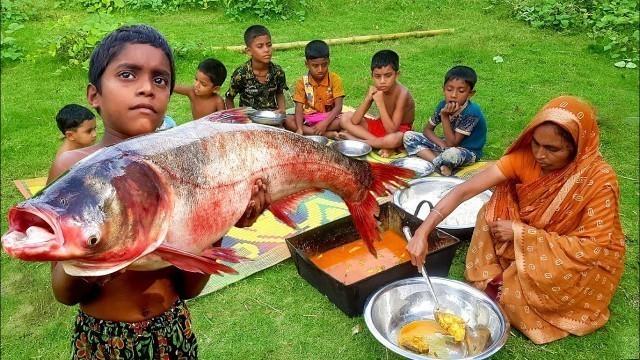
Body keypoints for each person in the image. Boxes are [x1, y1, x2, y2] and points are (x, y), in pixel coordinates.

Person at [47, 25, 271, 359]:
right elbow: (64, 293)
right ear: (94, 94)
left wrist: (221, 221)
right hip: (105, 341)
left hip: (172, 332)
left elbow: (189, 289)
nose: (147, 89)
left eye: (160, 79)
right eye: (127, 74)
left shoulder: (183, 167)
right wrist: (102, 245)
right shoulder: (74, 169)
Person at [406, 96, 625, 344]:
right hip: (521, 238)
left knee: (518, 299)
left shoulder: (598, 181)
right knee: (490, 210)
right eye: (536, 144)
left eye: (553, 149)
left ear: (578, 147)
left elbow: (592, 248)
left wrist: (522, 234)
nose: (540, 155)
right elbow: (464, 190)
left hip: (569, 259)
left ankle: (508, 281)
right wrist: (423, 232)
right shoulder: (525, 158)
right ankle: (503, 274)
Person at [403, 65, 487, 176]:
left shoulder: (471, 113)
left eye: (461, 91)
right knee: (409, 136)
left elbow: (452, 144)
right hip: (446, 145)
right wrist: (441, 144)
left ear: (470, 93)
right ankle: (439, 163)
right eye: (449, 89)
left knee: (450, 155)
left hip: (467, 151)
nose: (453, 95)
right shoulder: (443, 105)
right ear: (443, 89)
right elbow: (427, 130)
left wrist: (444, 116)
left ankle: (443, 160)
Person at [338, 49, 415, 158]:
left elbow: (392, 131)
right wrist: (367, 100)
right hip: (382, 125)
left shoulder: (402, 93)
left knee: (392, 139)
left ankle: (360, 141)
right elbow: (355, 120)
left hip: (399, 130)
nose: (382, 81)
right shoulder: (375, 90)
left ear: (397, 74)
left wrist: (380, 103)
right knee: (345, 117)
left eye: (388, 75)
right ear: (372, 75)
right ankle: (381, 144)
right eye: (377, 76)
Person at [283, 40, 344, 139]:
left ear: (328, 62)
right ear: (307, 64)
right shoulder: (302, 82)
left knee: (345, 120)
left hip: (329, 119)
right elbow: (298, 108)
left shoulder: (334, 79)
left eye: (324, 65)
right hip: (308, 118)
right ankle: (325, 134)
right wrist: (299, 128)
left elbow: (338, 107)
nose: (320, 69)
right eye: (315, 66)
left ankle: (314, 132)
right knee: (287, 120)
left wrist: (324, 123)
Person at [224, 25, 288, 113]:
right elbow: (229, 98)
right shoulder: (241, 74)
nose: (266, 50)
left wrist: (282, 110)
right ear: (249, 51)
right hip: (249, 120)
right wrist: (236, 117)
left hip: (271, 117)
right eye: (260, 46)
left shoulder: (277, 72)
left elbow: (279, 93)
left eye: (269, 45)